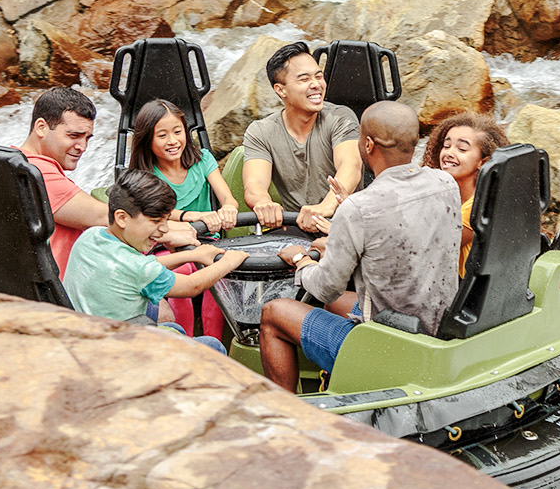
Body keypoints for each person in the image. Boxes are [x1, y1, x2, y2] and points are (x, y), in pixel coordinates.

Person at [259, 101, 461, 390]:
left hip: (386, 346)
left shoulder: (359, 209)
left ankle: (287, 418)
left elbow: (326, 286)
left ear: (367, 144)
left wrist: (301, 261)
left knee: (274, 313)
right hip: (434, 328)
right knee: (333, 305)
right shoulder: (445, 183)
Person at [18, 87, 197, 277]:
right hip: (68, 294)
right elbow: (103, 217)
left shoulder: (11, 162)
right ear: (41, 127)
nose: (82, 147)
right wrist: (171, 230)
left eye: (87, 138)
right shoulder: (38, 172)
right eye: (74, 136)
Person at [63, 170, 249, 353]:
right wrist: (229, 262)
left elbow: (138, 268)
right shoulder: (138, 268)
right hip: (117, 354)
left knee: (173, 328)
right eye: (155, 221)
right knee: (212, 345)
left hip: (85, 336)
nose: (164, 229)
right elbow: (192, 286)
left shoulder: (91, 235)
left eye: (166, 220)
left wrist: (191, 255)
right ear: (122, 218)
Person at [128, 98, 240, 336]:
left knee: (217, 271)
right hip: (163, 244)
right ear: (147, 140)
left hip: (206, 240)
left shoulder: (203, 160)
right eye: (162, 135)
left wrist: (228, 209)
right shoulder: (146, 173)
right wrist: (193, 216)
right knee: (183, 271)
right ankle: (184, 338)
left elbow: (227, 199)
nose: (172, 141)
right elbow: (155, 213)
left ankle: (213, 341)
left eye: (177, 132)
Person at [242, 42, 362, 236]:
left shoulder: (340, 117)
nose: (316, 84)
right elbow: (254, 184)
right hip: (297, 226)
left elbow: (351, 166)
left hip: (344, 225)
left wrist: (327, 206)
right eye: (304, 79)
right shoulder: (260, 131)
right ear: (281, 90)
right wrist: (263, 203)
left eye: (318, 76)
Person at [421, 112, 508, 277]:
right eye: (446, 146)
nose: (449, 153)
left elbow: (431, 249)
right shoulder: (450, 194)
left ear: (482, 162)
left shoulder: (477, 206)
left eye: (461, 149)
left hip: (463, 294)